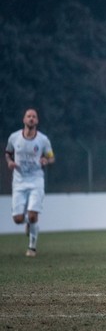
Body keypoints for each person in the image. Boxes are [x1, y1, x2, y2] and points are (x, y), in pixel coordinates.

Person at [5, 108, 55, 257]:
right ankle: (27, 222)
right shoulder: (14, 138)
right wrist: (9, 162)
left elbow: (51, 157)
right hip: (19, 181)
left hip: (36, 180)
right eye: (28, 116)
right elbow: (8, 153)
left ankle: (32, 247)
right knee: (17, 219)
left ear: (37, 121)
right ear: (24, 120)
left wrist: (46, 160)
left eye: (34, 116)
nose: (31, 118)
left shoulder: (43, 140)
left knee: (33, 216)